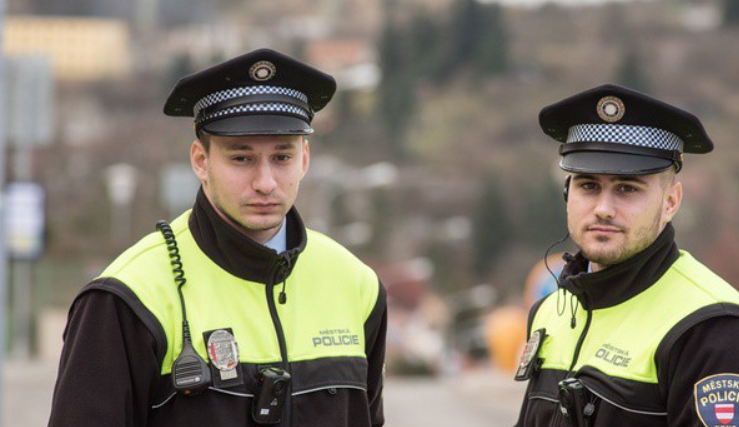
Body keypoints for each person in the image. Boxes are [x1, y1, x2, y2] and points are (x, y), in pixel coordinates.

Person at [48, 49, 387, 427]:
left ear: (304, 159)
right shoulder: (128, 297)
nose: (265, 182)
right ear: (200, 161)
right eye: (241, 158)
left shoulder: (357, 285)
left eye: (282, 157)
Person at [513, 84, 739, 427]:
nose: (603, 209)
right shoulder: (549, 312)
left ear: (671, 202)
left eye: (627, 188)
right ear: (566, 193)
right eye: (588, 185)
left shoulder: (709, 326)